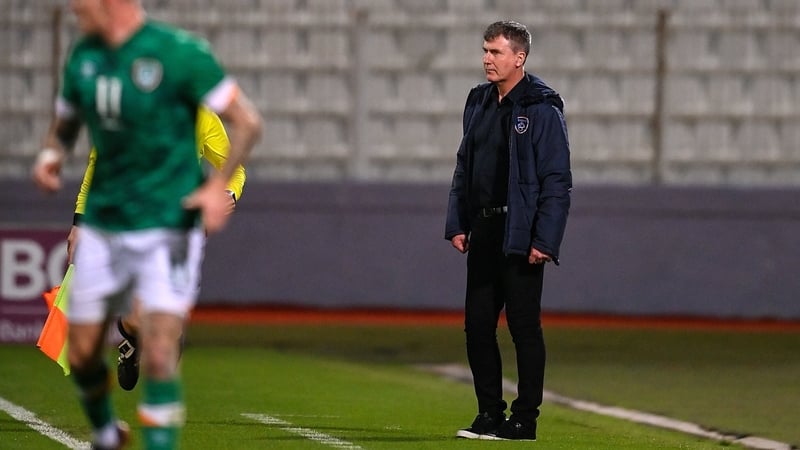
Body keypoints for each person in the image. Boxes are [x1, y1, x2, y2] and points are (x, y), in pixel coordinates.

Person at [30, 0, 262, 448]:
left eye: (83, 9)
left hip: (168, 229)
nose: (77, 15)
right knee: (79, 351)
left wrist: (223, 191)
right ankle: (105, 431)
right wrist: (52, 158)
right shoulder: (87, 59)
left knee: (162, 345)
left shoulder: (181, 58)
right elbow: (70, 128)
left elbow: (246, 129)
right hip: (106, 222)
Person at [444, 20, 571, 441]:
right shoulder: (478, 102)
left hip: (520, 233)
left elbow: (557, 180)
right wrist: (458, 221)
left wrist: (544, 240)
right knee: (477, 326)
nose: (486, 59)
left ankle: (525, 419)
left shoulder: (541, 107)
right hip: (483, 229)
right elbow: (465, 165)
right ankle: (488, 414)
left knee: (523, 327)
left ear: (519, 58)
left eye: (496, 52)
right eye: (485, 50)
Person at [66, 106, 247, 392]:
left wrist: (228, 193)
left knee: (167, 327)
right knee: (138, 320)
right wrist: (81, 221)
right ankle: (133, 340)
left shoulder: (201, 115)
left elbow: (233, 168)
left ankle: (159, 405)